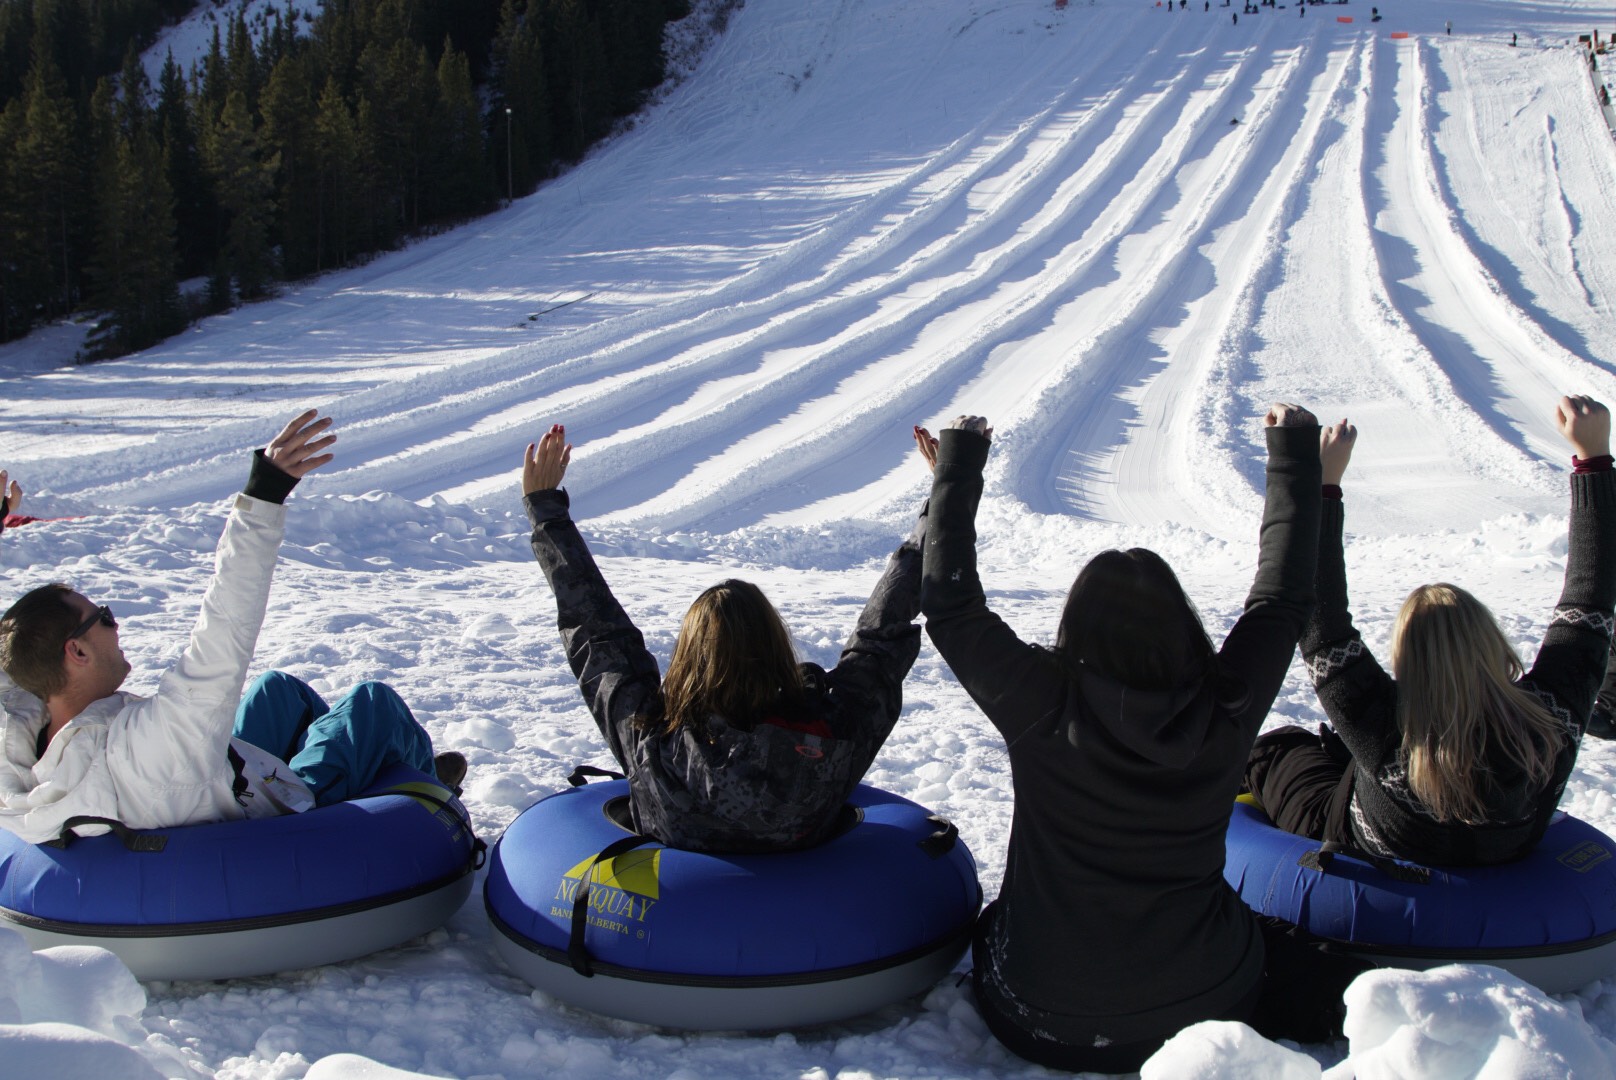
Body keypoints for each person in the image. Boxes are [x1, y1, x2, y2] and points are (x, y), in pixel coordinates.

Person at [919, 406, 1334, 1073]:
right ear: (1182, 626)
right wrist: (1292, 456)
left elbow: (950, 607)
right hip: (1204, 1005)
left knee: (996, 921)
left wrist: (957, 468)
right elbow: (1283, 600)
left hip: (1034, 1016)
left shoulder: (1041, 701)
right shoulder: (1228, 703)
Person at [0, 413, 464, 846]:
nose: (115, 623)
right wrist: (265, 493)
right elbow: (226, 622)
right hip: (273, 818)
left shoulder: (18, 738)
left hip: (214, 777)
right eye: (102, 615)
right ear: (76, 652)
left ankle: (363, 764)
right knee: (371, 704)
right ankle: (425, 795)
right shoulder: (153, 740)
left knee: (277, 690)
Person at [522, 423, 925, 853]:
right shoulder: (832, 734)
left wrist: (545, 510)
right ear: (775, 646)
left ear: (691, 655)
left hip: (670, 912)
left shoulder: (652, 740)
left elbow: (595, 628)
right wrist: (945, 501)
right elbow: (880, 638)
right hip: (819, 911)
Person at [1245, 397, 1615, 866]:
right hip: (1505, 843)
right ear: (1493, 645)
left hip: (1353, 836)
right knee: (1343, 751)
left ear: (1407, 657)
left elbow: (1321, 621)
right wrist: (1594, 454)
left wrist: (1321, 483)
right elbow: (1591, 598)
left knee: (1279, 749)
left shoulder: (1384, 725)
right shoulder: (1552, 718)